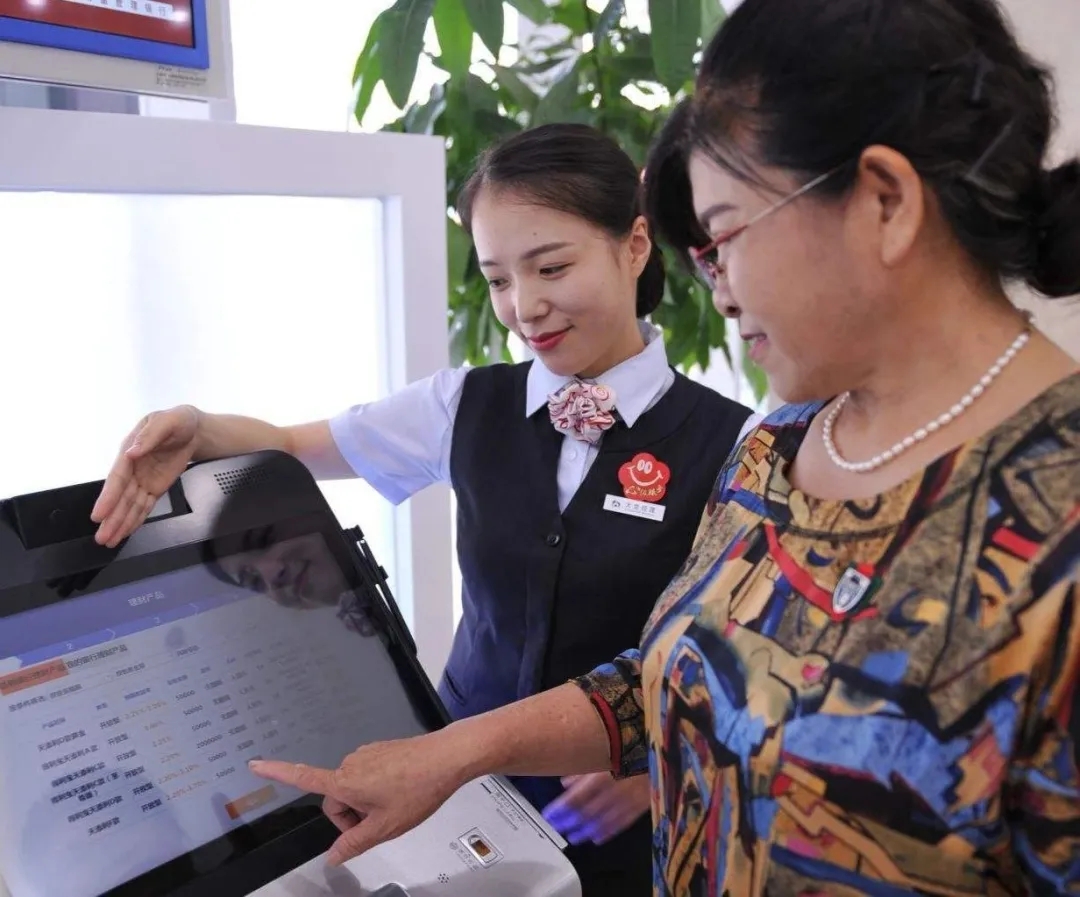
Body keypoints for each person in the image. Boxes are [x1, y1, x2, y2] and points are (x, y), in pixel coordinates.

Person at [243, 0, 1080, 893]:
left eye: (727, 235)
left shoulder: (1057, 514)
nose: (719, 292)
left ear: (885, 201)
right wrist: (450, 753)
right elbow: (676, 671)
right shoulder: (783, 445)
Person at [90, 123, 756, 895]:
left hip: (624, 812)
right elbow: (292, 445)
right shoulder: (463, 404)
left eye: (551, 267)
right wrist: (199, 427)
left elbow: (746, 662)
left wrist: (658, 762)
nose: (525, 307)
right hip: (453, 788)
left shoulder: (739, 444)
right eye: (498, 280)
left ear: (634, 245)